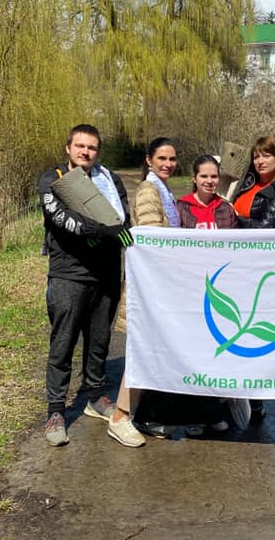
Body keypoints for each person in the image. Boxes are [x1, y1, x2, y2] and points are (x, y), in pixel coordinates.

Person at [38, 124, 133, 448]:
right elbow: (62, 220)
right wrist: (102, 231)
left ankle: (94, 395)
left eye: (92, 147)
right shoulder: (53, 180)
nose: (85, 152)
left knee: (99, 340)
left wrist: (117, 232)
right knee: (62, 343)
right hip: (69, 275)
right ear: (68, 148)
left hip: (107, 274)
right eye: (80, 146)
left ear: (98, 151)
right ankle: (55, 410)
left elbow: (125, 220)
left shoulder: (111, 180)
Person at [107, 137, 180, 445]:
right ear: (149, 160)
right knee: (142, 353)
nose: (168, 163)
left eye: (172, 159)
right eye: (162, 158)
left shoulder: (162, 191)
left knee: (155, 354)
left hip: (162, 284)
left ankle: (145, 416)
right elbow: (155, 240)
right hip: (150, 288)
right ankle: (120, 417)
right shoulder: (149, 192)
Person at [176, 154, 251, 433]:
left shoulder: (226, 209)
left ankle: (214, 411)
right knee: (195, 354)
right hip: (192, 291)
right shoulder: (180, 207)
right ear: (194, 178)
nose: (209, 181)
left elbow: (235, 250)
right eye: (204, 176)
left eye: (214, 176)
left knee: (219, 352)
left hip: (220, 292)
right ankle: (195, 414)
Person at [230, 135, 275, 422]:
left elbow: (266, 228)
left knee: (252, 334)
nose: (260, 161)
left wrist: (232, 217)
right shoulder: (248, 181)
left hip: (260, 270)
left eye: (266, 155)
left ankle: (255, 401)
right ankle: (229, 393)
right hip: (236, 266)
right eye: (256, 156)